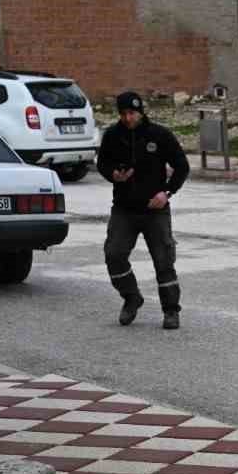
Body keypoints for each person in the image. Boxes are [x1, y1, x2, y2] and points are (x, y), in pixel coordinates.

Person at [96, 91, 190, 329]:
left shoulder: (159, 135)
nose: (128, 118)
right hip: (124, 210)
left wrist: (166, 192)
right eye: (124, 114)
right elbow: (102, 163)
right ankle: (131, 298)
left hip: (155, 210)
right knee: (114, 255)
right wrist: (113, 174)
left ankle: (171, 311)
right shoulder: (113, 135)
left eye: (132, 113)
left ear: (141, 112)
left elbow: (182, 166)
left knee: (163, 261)